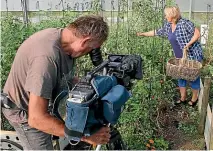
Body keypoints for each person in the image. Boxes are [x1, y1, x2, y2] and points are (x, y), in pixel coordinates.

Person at [2, 15, 111, 150]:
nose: (90, 53)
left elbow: (62, 77)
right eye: (91, 49)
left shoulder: (65, 39)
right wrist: (86, 136)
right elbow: (36, 118)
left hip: (46, 103)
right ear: (84, 41)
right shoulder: (45, 60)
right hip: (26, 113)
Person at [137, 6, 203, 107]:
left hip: (192, 55)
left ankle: (194, 99)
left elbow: (197, 34)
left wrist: (188, 44)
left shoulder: (184, 23)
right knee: (180, 76)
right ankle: (183, 98)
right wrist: (143, 34)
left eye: (166, 15)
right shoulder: (168, 25)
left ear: (172, 16)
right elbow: (157, 32)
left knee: (193, 77)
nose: (164, 16)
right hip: (179, 57)